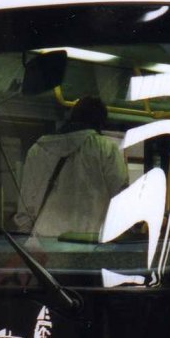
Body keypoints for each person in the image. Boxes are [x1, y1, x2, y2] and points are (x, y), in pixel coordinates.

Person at [13, 96, 127, 238]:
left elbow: (27, 199)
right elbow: (121, 197)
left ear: (72, 116)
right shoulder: (105, 148)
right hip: (87, 240)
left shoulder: (37, 150)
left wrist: (24, 238)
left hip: (44, 241)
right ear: (100, 122)